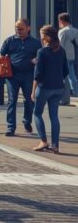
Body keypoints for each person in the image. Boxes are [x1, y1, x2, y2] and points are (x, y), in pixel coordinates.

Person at [0, 18, 41, 137]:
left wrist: (35, 60)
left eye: (21, 29)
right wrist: (4, 63)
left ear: (28, 28)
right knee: (12, 100)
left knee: (29, 100)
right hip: (12, 76)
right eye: (17, 28)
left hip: (29, 76)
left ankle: (27, 121)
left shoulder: (35, 43)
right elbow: (2, 54)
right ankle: (10, 127)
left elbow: (40, 57)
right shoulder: (9, 41)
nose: (18, 31)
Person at [33, 25, 70, 153]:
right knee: (54, 116)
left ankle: (43, 141)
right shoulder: (62, 50)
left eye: (41, 34)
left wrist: (33, 91)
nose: (40, 36)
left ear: (47, 36)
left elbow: (38, 74)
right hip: (59, 87)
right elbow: (66, 71)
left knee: (37, 113)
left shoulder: (41, 52)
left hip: (45, 87)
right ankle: (55, 145)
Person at [58, 13, 78, 98]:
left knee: (62, 75)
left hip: (63, 56)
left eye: (59, 20)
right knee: (71, 74)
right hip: (71, 56)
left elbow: (60, 45)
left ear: (62, 20)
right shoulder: (76, 30)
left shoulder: (63, 31)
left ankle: (65, 93)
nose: (58, 22)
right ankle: (75, 91)